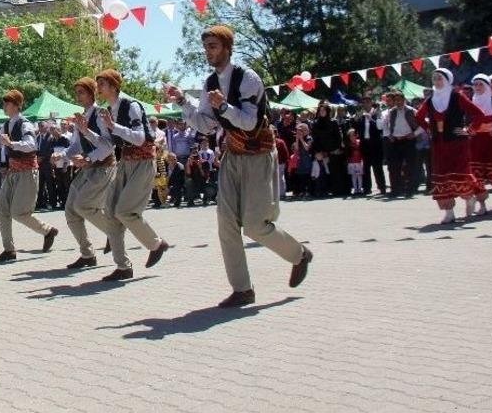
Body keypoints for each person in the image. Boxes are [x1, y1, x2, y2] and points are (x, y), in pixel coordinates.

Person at [165, 25, 312, 308]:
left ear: (227, 48)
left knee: (256, 226)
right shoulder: (210, 83)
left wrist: (223, 108)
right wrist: (184, 101)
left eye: (213, 46)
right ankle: (242, 289)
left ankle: (299, 254)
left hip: (258, 153)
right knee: (226, 222)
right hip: (232, 154)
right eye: (206, 46)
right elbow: (205, 124)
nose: (208, 51)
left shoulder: (247, 78)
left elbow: (248, 121)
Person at [95, 69, 169, 282]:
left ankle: (156, 244)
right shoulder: (109, 109)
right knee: (110, 212)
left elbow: (139, 138)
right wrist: (86, 132)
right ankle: (123, 267)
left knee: (125, 211)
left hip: (144, 162)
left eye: (102, 84)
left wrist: (113, 126)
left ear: (113, 85)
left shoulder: (131, 106)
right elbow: (108, 143)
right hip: (126, 161)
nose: (98, 88)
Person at [54, 77, 117, 272]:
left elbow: (108, 146)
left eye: (82, 92)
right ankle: (87, 254)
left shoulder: (100, 114)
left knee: (84, 206)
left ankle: (113, 233)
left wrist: (88, 158)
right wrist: (62, 155)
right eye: (77, 93)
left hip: (103, 167)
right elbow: (75, 146)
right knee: (71, 210)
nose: (78, 96)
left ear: (92, 93)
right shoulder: (80, 116)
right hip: (88, 168)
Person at [0, 90, 59, 263]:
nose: (4, 106)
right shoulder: (6, 125)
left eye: (7, 103)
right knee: (2, 209)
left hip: (27, 172)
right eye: (4, 103)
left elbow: (31, 145)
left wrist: (11, 143)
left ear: (16, 105)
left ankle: (48, 230)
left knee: (20, 213)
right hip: (13, 172)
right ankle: (9, 249)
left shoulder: (24, 124)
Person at [415, 68, 487, 224]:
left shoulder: (457, 96)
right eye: (434, 79)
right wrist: (429, 129)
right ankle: (449, 212)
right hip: (439, 144)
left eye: (440, 78)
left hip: (457, 143)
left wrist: (469, 130)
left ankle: (469, 198)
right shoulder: (431, 99)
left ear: (447, 80)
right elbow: (418, 116)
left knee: (460, 174)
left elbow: (479, 114)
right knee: (441, 177)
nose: (437, 82)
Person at [467, 74, 492, 212]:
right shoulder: (470, 102)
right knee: (477, 175)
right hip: (475, 142)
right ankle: (482, 205)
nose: (477, 87)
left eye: (481, 84)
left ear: (487, 86)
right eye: (475, 84)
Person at [384, 91, 420, 198]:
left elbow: (423, 125)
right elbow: (384, 125)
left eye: (400, 100)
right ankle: (396, 190)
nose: (398, 102)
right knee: (394, 167)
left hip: (408, 141)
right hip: (395, 141)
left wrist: (414, 134)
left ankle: (410, 190)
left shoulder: (412, 111)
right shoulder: (391, 112)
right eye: (396, 100)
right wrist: (388, 134)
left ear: (404, 100)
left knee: (410, 167)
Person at [356, 96, 386, 196]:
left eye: (367, 102)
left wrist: (371, 119)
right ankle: (367, 188)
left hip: (376, 144)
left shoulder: (376, 113)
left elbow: (380, 127)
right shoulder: (361, 115)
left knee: (377, 167)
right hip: (365, 144)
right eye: (364, 102)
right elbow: (357, 128)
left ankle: (382, 187)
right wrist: (356, 118)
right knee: (366, 167)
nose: (365, 104)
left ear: (371, 102)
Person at [345, 129, 364, 195]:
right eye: (350, 136)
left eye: (354, 135)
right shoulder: (348, 144)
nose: (352, 137)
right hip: (351, 162)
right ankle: (355, 189)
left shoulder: (359, 142)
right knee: (353, 176)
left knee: (359, 175)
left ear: (356, 135)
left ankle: (360, 188)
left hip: (359, 161)